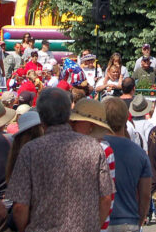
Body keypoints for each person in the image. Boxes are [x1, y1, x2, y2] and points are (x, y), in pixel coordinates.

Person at [9, 87, 114, 232]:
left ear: (42, 117)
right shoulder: (93, 148)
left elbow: (20, 206)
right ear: (68, 115)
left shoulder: (30, 151)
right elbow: (106, 198)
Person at [101, 97, 151, 232]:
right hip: (128, 220)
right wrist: (139, 219)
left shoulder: (96, 148)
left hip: (100, 219)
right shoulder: (139, 154)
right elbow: (145, 194)